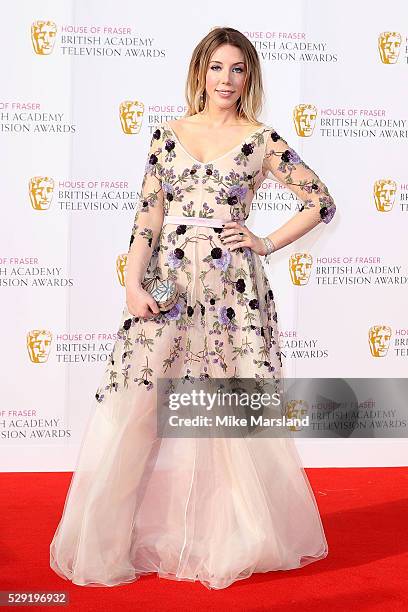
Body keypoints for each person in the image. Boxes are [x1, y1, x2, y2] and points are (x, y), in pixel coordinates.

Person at [50, 27, 336, 591]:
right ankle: (105, 544)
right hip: (168, 286)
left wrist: (265, 242)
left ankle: (233, 540)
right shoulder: (166, 134)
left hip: (232, 293)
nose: (226, 80)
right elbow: (147, 218)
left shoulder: (262, 140)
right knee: (137, 411)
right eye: (216, 67)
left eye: (237, 69)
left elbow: (321, 202)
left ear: (249, 77)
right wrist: (133, 283)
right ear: (199, 72)